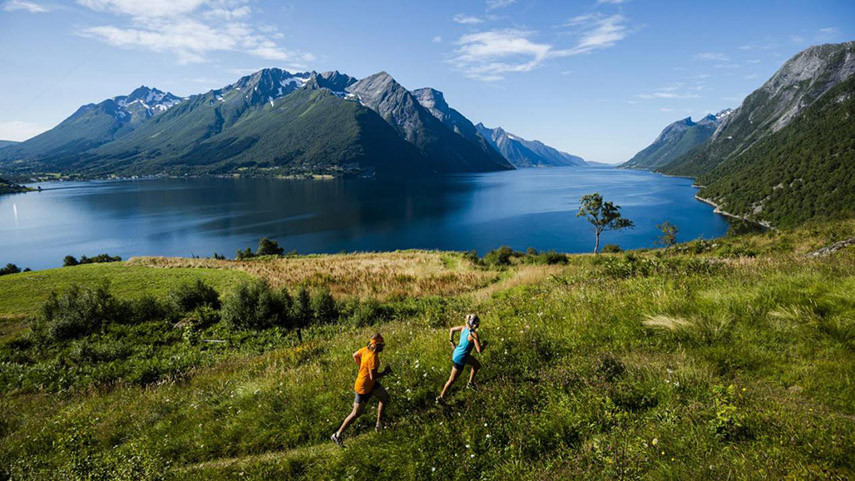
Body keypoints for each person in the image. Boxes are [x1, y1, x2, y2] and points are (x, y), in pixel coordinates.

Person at [331, 333, 391, 447]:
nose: (383, 346)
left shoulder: (365, 350)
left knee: (385, 397)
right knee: (356, 414)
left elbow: (355, 355)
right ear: (376, 345)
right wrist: (385, 372)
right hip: (363, 387)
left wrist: (362, 367)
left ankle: (379, 424)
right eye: (381, 344)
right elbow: (373, 376)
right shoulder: (373, 358)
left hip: (370, 384)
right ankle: (337, 435)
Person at [436, 314, 483, 404]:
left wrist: (451, 342)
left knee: (476, 365)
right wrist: (484, 344)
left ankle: (470, 383)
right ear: (476, 324)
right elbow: (479, 350)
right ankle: (441, 397)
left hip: (459, 353)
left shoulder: (463, 328)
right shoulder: (474, 334)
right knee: (452, 379)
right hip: (461, 357)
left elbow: (452, 329)